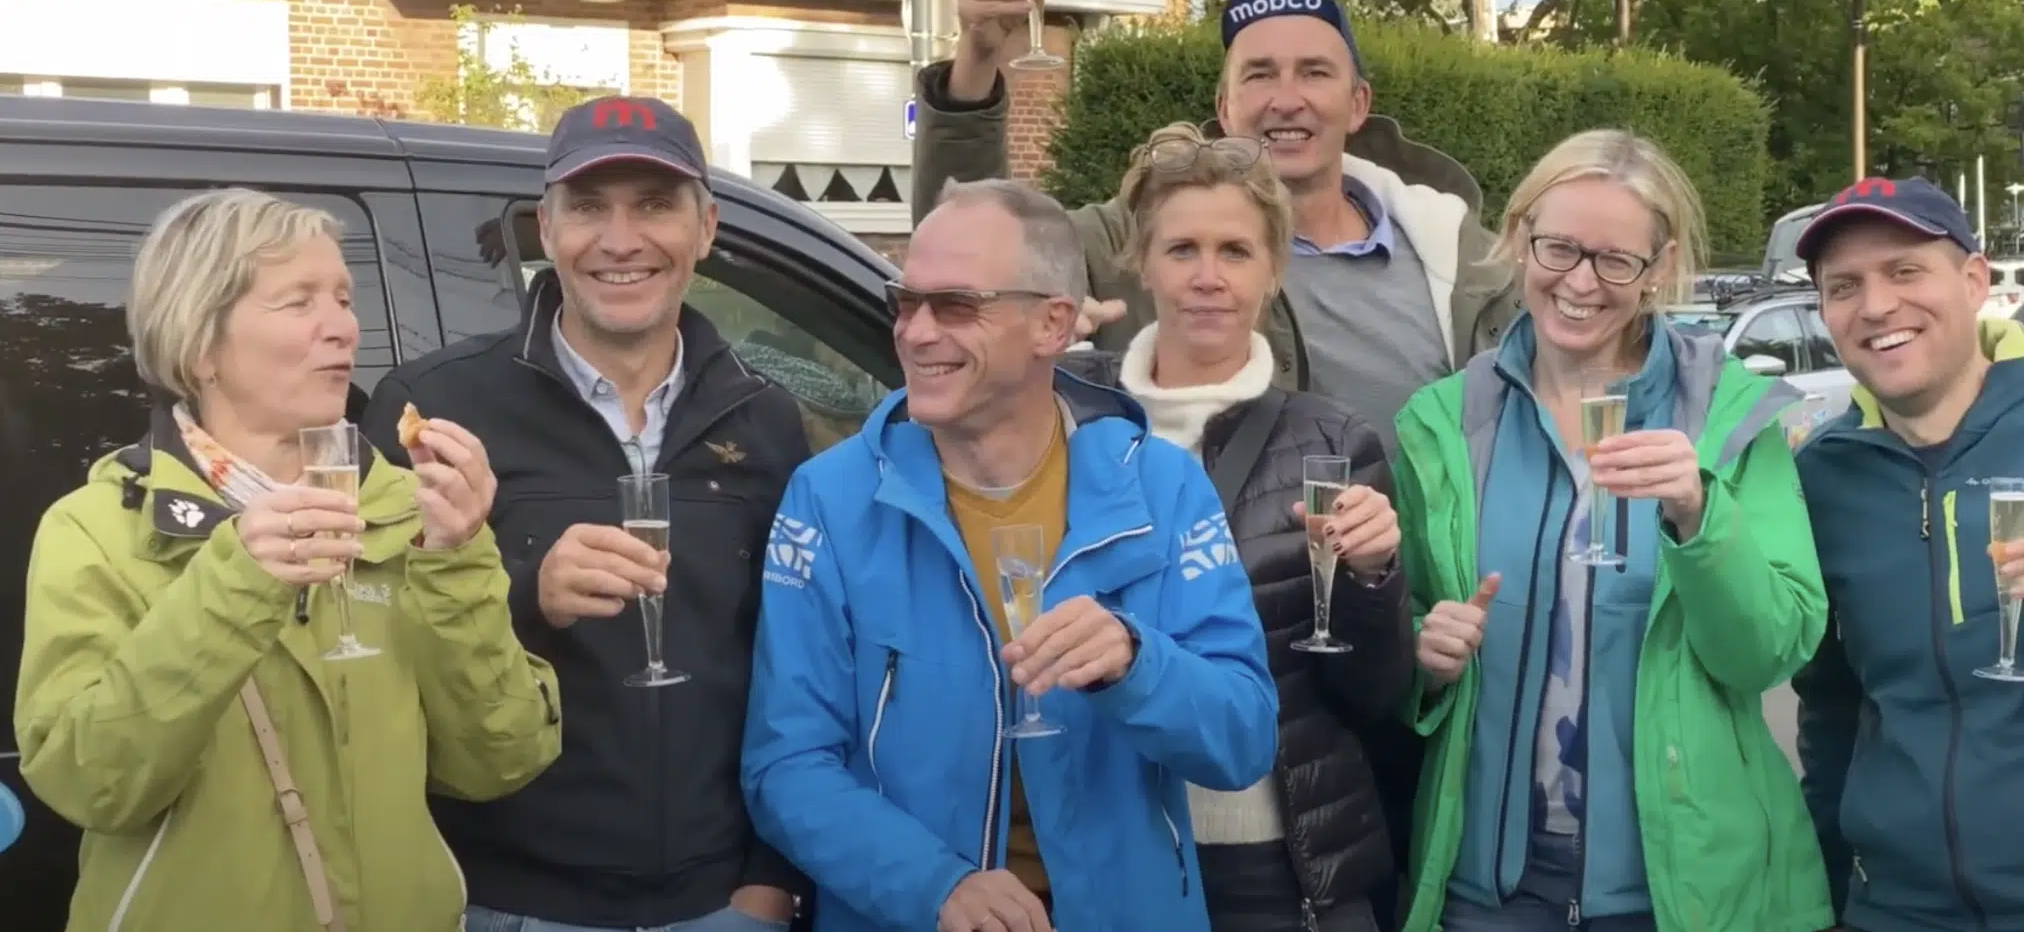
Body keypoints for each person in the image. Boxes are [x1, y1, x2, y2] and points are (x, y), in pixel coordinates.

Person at [740, 178, 1280, 932]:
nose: (916, 332)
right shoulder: (830, 499)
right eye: (906, 302)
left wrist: (1137, 663)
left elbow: (1244, 739)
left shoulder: (1161, 487)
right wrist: (936, 886)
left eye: (956, 306)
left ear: (1052, 324)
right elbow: (786, 766)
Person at [14, 188, 561, 931]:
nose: (343, 326)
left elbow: (501, 758)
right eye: (298, 301)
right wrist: (235, 586)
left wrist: (456, 558)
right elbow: (89, 783)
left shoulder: (412, 511)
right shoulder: (98, 528)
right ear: (200, 344)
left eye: (344, 298)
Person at [365, 97, 811, 932]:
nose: (620, 239)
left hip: (721, 906)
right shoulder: (436, 408)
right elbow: (368, 653)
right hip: (510, 904)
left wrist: (770, 877)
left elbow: (805, 669)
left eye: (655, 204)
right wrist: (527, 595)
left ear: (707, 228)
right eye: (589, 207)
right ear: (547, 227)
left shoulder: (766, 420)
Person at [1391, 131, 1834, 932]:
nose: (1580, 281)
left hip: (1680, 897)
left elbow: (1770, 650)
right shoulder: (1445, 421)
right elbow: (1402, 633)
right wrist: (1423, 653)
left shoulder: (1727, 415)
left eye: (1616, 260)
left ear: (1661, 267)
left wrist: (1700, 517)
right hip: (1488, 893)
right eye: (1559, 247)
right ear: (1520, 236)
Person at [910, 0, 1517, 444]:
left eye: (1314, 72)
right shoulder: (1136, 235)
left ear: (1358, 104)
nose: (1287, 100)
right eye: (1259, 74)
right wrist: (977, 60)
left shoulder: (1459, 257)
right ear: (1225, 109)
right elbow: (960, 245)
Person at [1057, 122, 1412, 932]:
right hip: (1114, 842)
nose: (1208, 277)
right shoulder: (1069, 415)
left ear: (1273, 269)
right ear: (1142, 262)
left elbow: (1375, 694)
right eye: (1182, 249)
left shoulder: (1331, 441)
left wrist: (1373, 578)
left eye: (1236, 251)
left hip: (1276, 864)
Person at [1791, 176, 2024, 932]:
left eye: (1905, 270)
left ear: (1974, 281)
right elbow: (1829, 708)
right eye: (1844, 286)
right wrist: (1830, 893)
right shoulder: (1823, 475)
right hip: (1896, 909)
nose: (1876, 306)